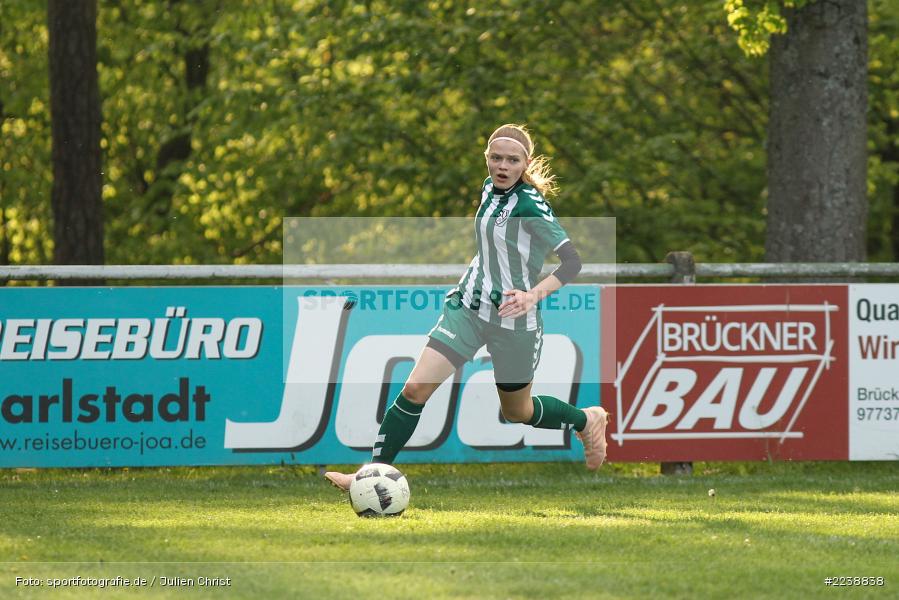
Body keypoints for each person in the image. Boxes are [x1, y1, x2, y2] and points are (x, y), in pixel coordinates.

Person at [325, 124, 608, 491]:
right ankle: (369, 476)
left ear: (526, 163)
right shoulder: (489, 189)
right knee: (414, 389)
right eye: (495, 157)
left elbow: (572, 263)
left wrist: (530, 296)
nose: (502, 166)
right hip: (470, 308)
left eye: (512, 160)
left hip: (514, 320)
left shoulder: (530, 204)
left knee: (517, 412)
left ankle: (587, 421)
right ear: (487, 159)